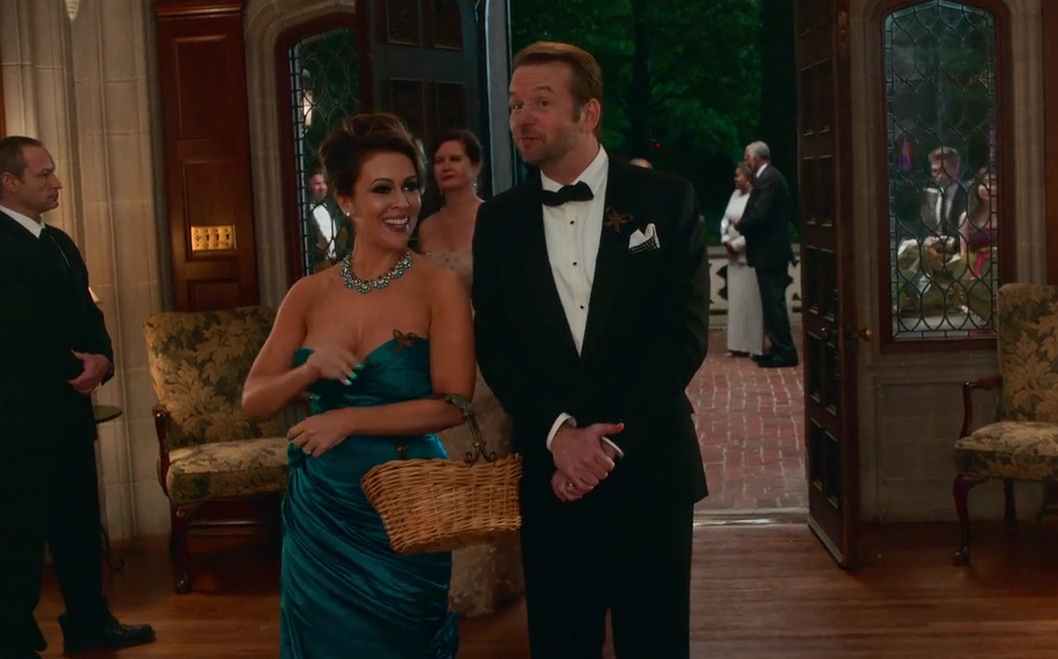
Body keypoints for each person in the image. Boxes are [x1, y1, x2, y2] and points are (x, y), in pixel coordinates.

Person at [472, 40, 710, 659]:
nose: (522, 117)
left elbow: (682, 335)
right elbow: (496, 346)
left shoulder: (666, 200)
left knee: (656, 644)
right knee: (560, 643)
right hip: (552, 478)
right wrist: (559, 437)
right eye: (515, 104)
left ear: (589, 113)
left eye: (540, 102)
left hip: (649, 466)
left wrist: (601, 446)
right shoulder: (498, 222)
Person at [241, 113, 475, 659]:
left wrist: (348, 419)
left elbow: (454, 403)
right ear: (346, 200)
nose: (403, 203)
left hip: (407, 505)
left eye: (410, 187)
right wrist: (308, 371)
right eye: (382, 189)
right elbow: (254, 400)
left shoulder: (438, 285)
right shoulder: (308, 293)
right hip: (322, 510)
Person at [0, 135, 155, 658]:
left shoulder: (60, 242)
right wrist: (77, 366)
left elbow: (88, 313)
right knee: (20, 535)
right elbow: (17, 331)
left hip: (68, 414)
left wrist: (103, 359)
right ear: (9, 181)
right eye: (44, 174)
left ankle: (89, 622)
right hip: (18, 422)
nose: (57, 182)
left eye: (53, 172)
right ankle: (13, 640)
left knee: (78, 526)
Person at [415, 129, 525, 616]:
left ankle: (499, 577)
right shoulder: (425, 227)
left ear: (476, 166)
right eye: (439, 160)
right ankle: (452, 579)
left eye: (455, 159)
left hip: (490, 350)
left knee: (492, 461)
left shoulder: (496, 219)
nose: (445, 167)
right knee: (451, 463)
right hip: (442, 351)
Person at [737, 141, 798, 368]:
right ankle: (777, 347)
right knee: (771, 304)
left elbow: (760, 214)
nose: (746, 161)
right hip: (767, 251)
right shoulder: (766, 177)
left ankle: (785, 350)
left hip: (771, 252)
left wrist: (742, 225)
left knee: (774, 303)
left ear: (756, 158)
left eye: (747, 157)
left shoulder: (769, 178)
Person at [720, 162, 764, 358]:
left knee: (751, 303)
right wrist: (725, 239)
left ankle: (753, 345)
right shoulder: (734, 195)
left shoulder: (755, 198)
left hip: (748, 257)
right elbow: (725, 220)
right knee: (736, 303)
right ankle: (736, 344)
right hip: (733, 260)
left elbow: (757, 226)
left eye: (738, 175)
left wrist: (737, 245)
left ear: (748, 178)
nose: (735, 179)